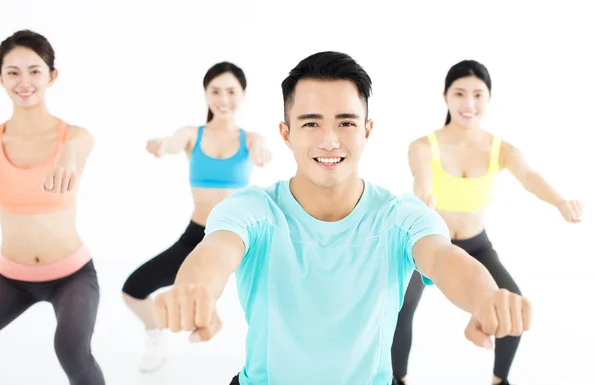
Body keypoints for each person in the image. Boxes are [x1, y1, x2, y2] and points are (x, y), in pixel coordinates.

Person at [154, 51, 532, 385]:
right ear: (286, 134)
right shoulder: (252, 210)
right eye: (311, 123)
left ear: (367, 130)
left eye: (346, 123)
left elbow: (447, 260)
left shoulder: (402, 216)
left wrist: (485, 298)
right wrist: (194, 289)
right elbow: (216, 253)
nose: (330, 140)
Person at [391, 59, 583, 385]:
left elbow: (530, 177)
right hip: (430, 245)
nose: (469, 104)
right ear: (445, 97)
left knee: (512, 306)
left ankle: (499, 381)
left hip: (476, 244)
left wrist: (561, 202)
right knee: (399, 310)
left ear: (489, 99)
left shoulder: (502, 150)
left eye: (478, 95)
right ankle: (398, 380)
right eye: (460, 94)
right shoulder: (423, 146)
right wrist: (422, 198)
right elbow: (421, 179)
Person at [121, 61, 272, 372]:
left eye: (231, 91)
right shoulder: (193, 134)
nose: (223, 98)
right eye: (215, 91)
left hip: (243, 238)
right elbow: (175, 142)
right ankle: (155, 334)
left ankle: (270, 359)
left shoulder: (251, 138)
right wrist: (163, 145)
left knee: (271, 300)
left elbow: (262, 150)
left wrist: (263, 154)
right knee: (133, 289)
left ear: (243, 95)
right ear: (206, 95)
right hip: (197, 236)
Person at [0, 30, 104, 385]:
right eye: (12, 72)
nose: (24, 81)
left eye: (34, 70)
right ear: (1, 78)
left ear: (51, 76)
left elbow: (79, 144)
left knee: (71, 348)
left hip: (71, 276)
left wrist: (67, 156)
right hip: (10, 277)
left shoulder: (73, 137)